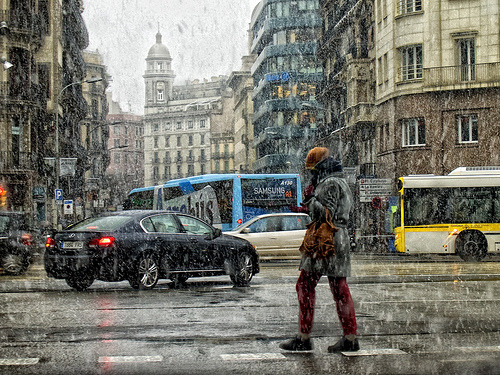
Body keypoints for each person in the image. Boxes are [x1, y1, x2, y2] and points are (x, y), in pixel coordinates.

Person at [280, 147, 359, 353]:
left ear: (319, 168)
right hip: (338, 238)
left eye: (312, 171)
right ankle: (350, 337)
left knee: (305, 286)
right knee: (339, 289)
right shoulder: (340, 181)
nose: (311, 175)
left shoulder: (329, 183)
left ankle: (304, 337)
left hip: (326, 239)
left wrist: (310, 199)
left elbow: (326, 214)